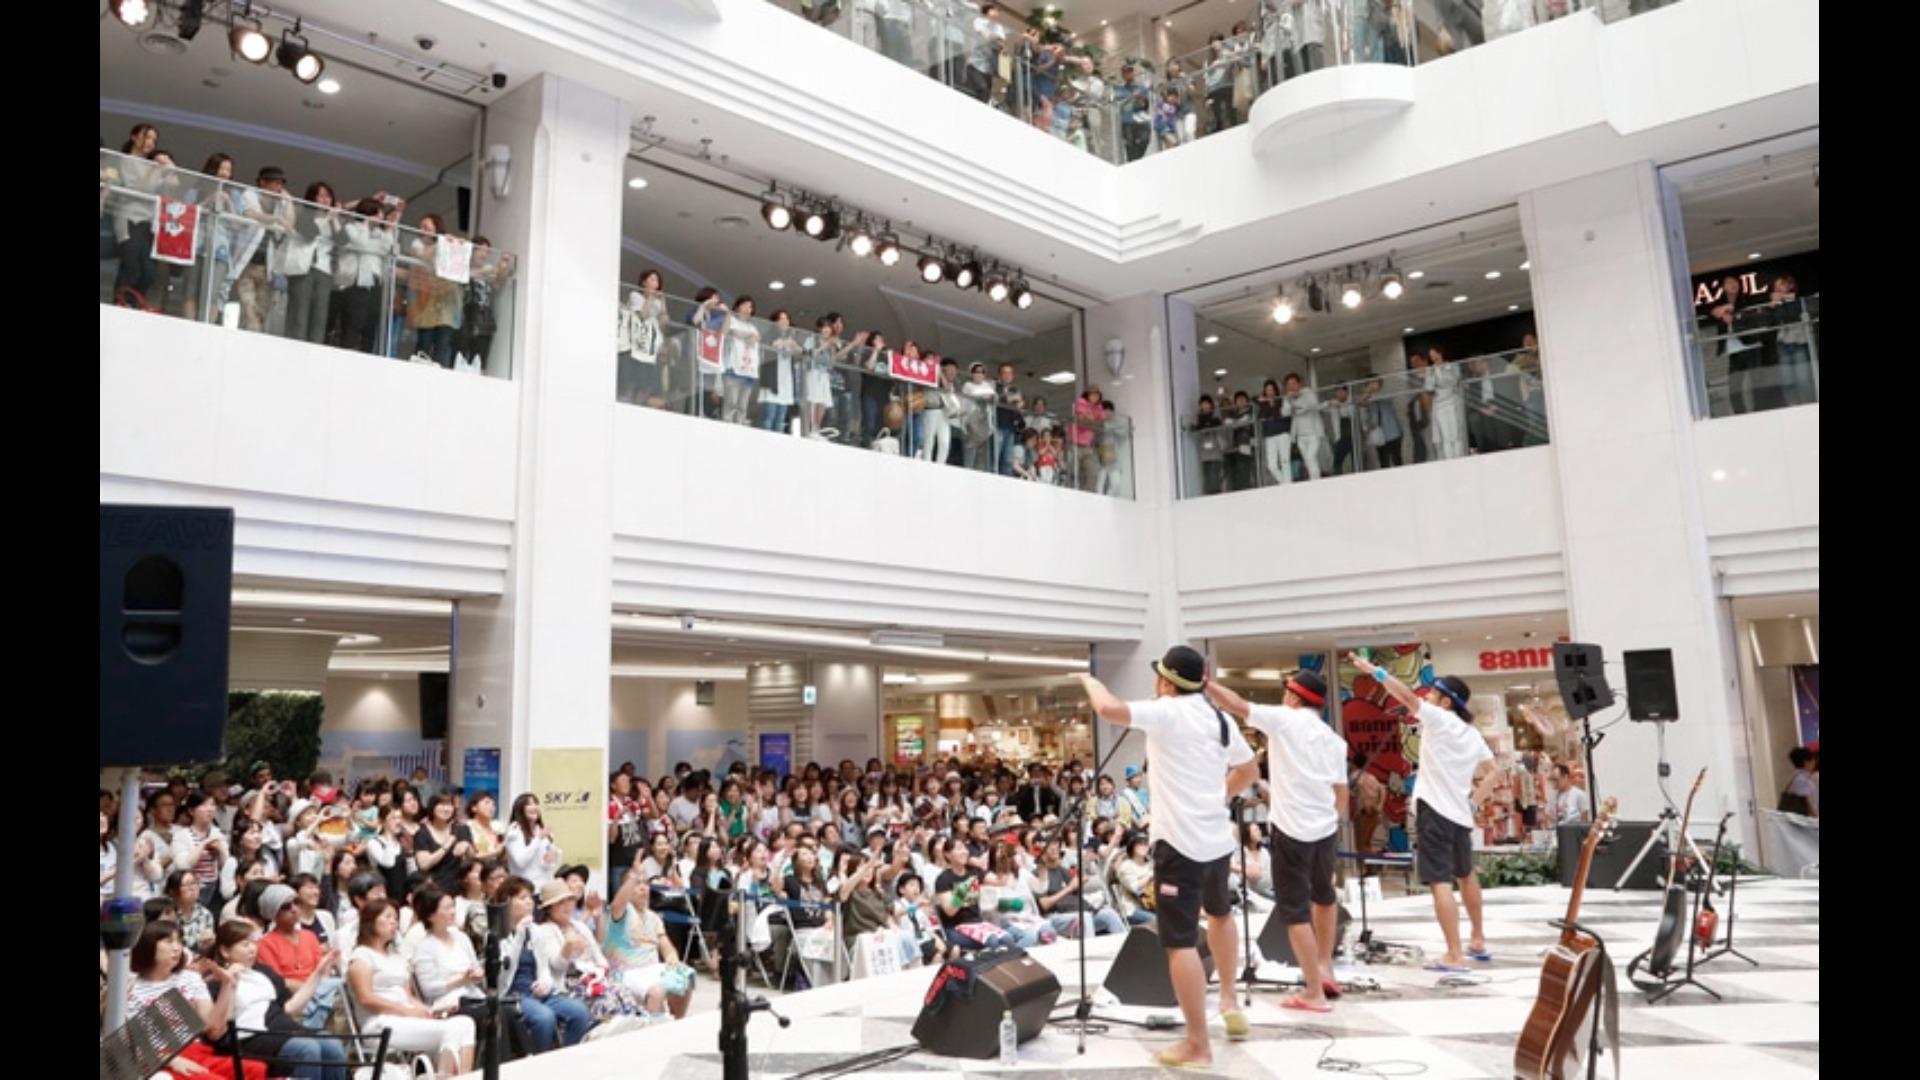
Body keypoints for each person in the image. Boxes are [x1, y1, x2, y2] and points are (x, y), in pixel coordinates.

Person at [1078, 646, 1260, 1068]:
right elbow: (1250, 771)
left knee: (1179, 943)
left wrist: (1089, 680)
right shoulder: (1218, 717)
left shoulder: (1166, 712)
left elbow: (1108, 708)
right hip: (1217, 841)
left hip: (1180, 846)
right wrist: (1219, 794)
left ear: (1166, 681)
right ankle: (1229, 1001)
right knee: (1221, 916)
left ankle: (1197, 1042)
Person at [1206, 672, 1347, 1011]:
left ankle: (1313, 991)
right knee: (1324, 897)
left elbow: (1237, 705)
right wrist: (1333, 823)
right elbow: (1341, 794)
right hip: (1324, 829)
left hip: (1291, 829)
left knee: (1295, 912)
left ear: (1295, 698)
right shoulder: (1333, 739)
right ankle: (1325, 966)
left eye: (1287, 692)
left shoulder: (1286, 720)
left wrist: (1206, 682)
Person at [1348, 653, 1492, 972]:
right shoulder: (1472, 734)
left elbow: (1407, 697)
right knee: (1466, 875)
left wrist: (1376, 672)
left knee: (1440, 881)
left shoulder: (1440, 719)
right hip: (1459, 815)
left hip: (1435, 812)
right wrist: (1473, 801)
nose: (1428, 696)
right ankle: (1478, 940)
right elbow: (1495, 771)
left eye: (1435, 693)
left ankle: (1454, 954)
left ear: (1446, 701)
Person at [203, 919, 347, 1080]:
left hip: (282, 1029)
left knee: (332, 1045)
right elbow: (217, 1030)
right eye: (245, 944)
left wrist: (318, 972)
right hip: (248, 1038)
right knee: (307, 1048)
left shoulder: (264, 972)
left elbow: (290, 1007)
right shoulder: (215, 982)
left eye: (253, 943)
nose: (252, 949)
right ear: (225, 951)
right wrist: (229, 984)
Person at [347, 899, 477, 1076]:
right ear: (371, 922)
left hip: (404, 1017)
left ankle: (460, 1077)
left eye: (395, 918)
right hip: (379, 1023)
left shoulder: (396, 957)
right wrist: (404, 1011)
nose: (394, 922)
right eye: (388, 917)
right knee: (452, 1030)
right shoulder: (362, 955)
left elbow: (408, 997)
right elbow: (365, 998)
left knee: (465, 1023)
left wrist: (429, 1011)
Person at [126, 919, 264, 1080]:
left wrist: (228, 985)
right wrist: (172, 1061)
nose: (177, 948)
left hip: (197, 1051)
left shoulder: (190, 979)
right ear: (148, 946)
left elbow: (214, 1031)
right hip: (159, 1059)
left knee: (256, 1069)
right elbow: (131, 1044)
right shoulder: (131, 988)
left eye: (179, 941)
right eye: (168, 941)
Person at [493, 875, 594, 1052]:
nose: (529, 903)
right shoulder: (498, 934)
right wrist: (518, 936)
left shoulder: (536, 931)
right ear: (508, 902)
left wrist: (545, 983)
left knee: (579, 1012)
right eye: (523, 898)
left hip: (538, 992)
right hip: (514, 994)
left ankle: (567, 1058)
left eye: (530, 898)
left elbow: (544, 967)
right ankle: (540, 1063)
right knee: (544, 1018)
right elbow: (502, 975)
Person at [617, 269, 668, 405]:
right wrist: (650, 297)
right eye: (652, 279)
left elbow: (663, 323)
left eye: (657, 280)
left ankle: (637, 404)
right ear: (644, 282)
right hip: (635, 344)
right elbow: (642, 316)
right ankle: (626, 402)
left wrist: (663, 302)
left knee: (647, 383)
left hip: (650, 348)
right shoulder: (635, 295)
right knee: (632, 379)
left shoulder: (657, 303)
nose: (655, 283)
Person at [506, 793, 562, 889]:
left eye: (536, 803)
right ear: (520, 808)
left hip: (543, 888)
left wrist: (553, 857)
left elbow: (548, 866)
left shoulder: (542, 830)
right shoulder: (514, 831)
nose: (534, 807)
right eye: (529, 804)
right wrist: (538, 838)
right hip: (523, 889)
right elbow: (520, 861)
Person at [1779, 747, 1818, 818]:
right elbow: (1807, 801)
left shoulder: (1799, 777)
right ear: (1806, 762)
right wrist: (1816, 816)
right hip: (1806, 820)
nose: (1814, 763)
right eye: (1813, 760)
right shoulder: (1801, 779)